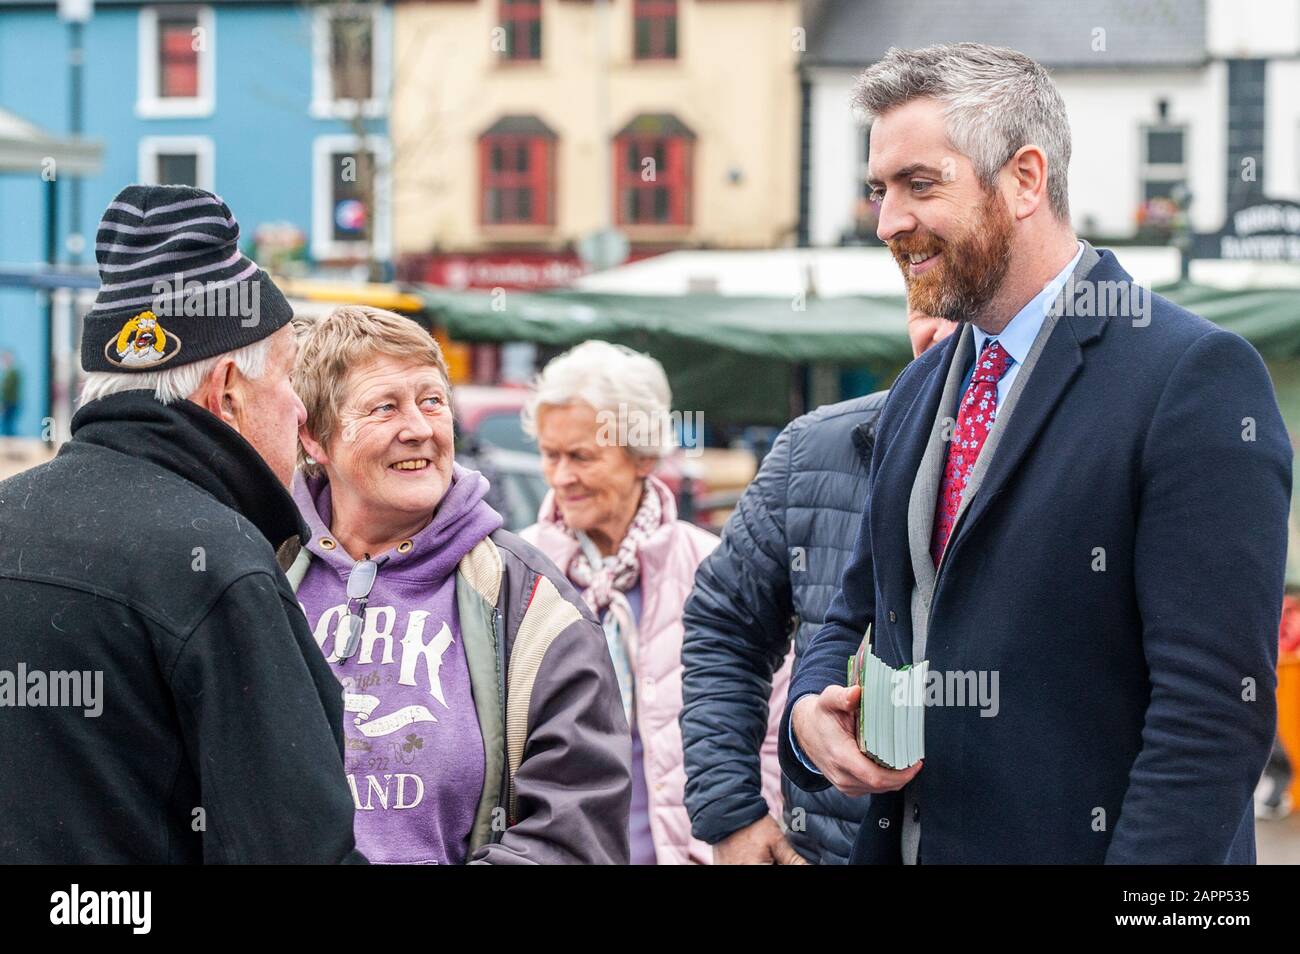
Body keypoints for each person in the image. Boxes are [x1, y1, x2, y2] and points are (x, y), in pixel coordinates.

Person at [781, 43, 1292, 864]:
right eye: (879, 190)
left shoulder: (1192, 377)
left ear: (1025, 179)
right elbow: (856, 613)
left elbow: (1210, 716)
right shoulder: (919, 392)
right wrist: (808, 717)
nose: (887, 222)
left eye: (921, 184)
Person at [0, 184, 363, 863]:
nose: (298, 410)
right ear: (226, 391)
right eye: (286, 378)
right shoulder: (219, 565)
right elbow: (294, 850)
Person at [285, 306, 630, 865]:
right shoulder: (258, 574)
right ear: (314, 437)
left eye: (432, 401)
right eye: (384, 407)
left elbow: (576, 832)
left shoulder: (534, 605)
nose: (418, 428)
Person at [681, 309, 956, 864]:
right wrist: (731, 815)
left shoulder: (1090, 448)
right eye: (927, 307)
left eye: (965, 308)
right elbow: (725, 626)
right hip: (832, 849)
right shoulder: (813, 449)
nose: (944, 332)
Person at [520, 340, 787, 864]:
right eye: (550, 455)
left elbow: (776, 723)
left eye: (582, 456)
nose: (561, 477)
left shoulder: (714, 566)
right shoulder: (516, 570)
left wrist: (747, 831)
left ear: (642, 456)